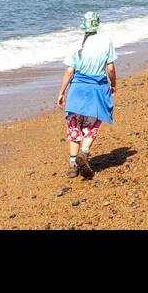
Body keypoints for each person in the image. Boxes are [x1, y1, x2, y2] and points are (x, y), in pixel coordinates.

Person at [56, 11, 116, 178]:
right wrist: (114, 84)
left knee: (74, 127)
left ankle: (73, 166)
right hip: (96, 90)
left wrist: (61, 93)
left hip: (76, 90)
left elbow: (69, 71)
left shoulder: (76, 44)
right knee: (91, 125)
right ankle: (84, 152)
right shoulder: (106, 42)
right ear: (97, 25)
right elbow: (110, 68)